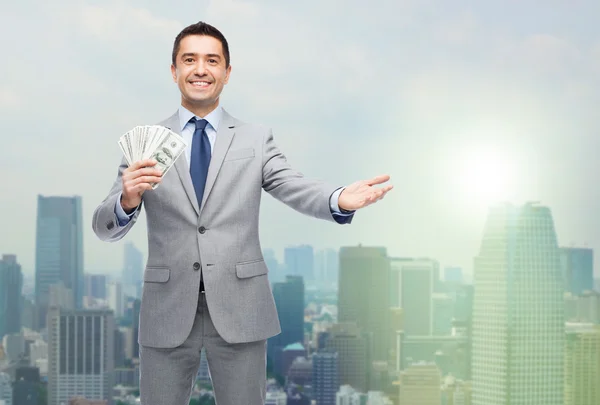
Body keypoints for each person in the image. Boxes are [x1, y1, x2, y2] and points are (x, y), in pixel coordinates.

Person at [92, 21, 393, 405]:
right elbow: (103, 226)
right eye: (190, 60)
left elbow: (293, 185)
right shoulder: (145, 143)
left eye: (212, 60)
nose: (201, 69)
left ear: (227, 72)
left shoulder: (255, 138)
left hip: (241, 308)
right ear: (174, 71)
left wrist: (338, 199)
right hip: (167, 310)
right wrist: (127, 201)